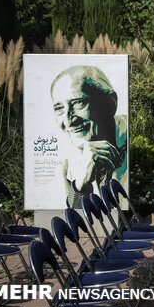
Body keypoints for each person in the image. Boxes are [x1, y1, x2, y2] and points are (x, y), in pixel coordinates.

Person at [51, 66, 127, 208]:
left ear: (111, 103)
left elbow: (124, 212)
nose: (68, 121)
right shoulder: (64, 163)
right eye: (59, 108)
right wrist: (80, 186)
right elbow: (74, 215)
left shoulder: (131, 139)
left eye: (78, 102)